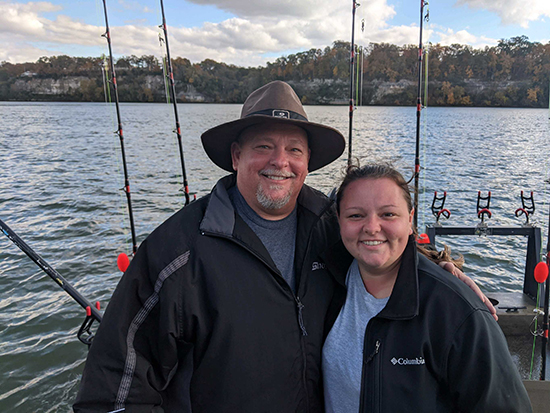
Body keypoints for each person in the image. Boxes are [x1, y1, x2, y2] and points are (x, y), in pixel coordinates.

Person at [73, 81, 495, 412]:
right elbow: (113, 388)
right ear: (236, 155)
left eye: (294, 148)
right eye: (263, 146)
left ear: (308, 161)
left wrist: (442, 272)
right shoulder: (177, 251)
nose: (280, 161)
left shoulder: (330, 224)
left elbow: (380, 245)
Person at [322, 164, 532, 413]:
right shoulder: (325, 280)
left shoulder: (458, 313)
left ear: (410, 220)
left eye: (388, 214)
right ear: (339, 221)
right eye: (356, 215)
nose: (372, 227)